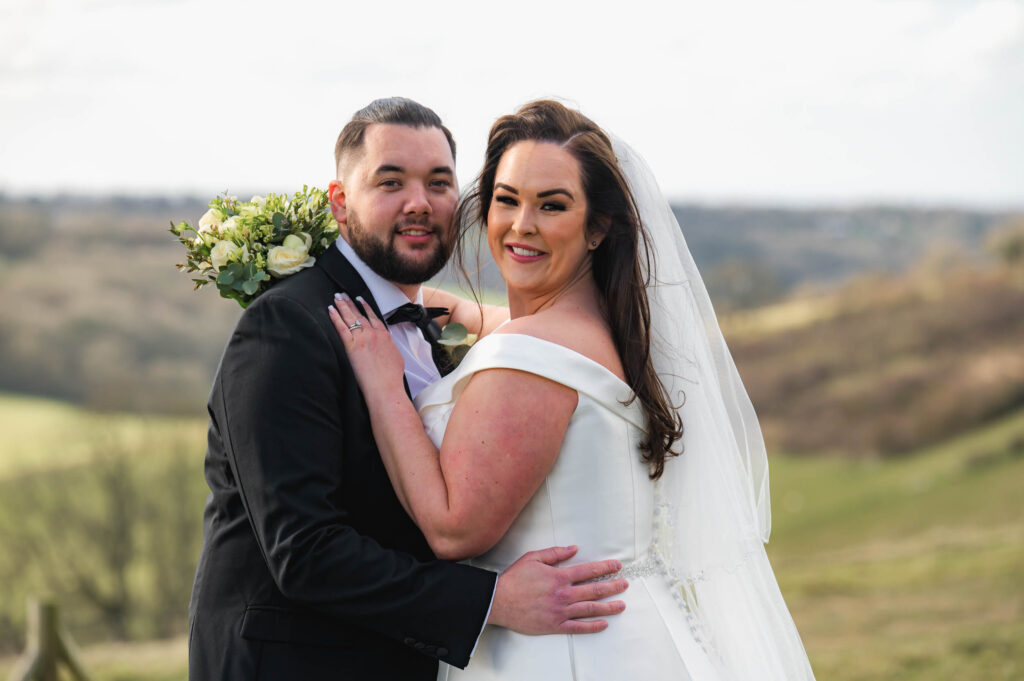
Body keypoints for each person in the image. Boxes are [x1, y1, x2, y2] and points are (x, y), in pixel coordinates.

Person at [330, 100, 817, 680]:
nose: (521, 224)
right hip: (636, 642)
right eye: (507, 199)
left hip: (558, 656)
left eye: (552, 205)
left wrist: (385, 387)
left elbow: (453, 527)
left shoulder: (528, 359)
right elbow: (505, 327)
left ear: (598, 227)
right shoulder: (608, 330)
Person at [187, 98, 630, 681]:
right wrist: (491, 600)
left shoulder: (438, 328)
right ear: (341, 204)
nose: (419, 203)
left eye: (439, 182)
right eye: (390, 181)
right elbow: (305, 552)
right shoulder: (288, 327)